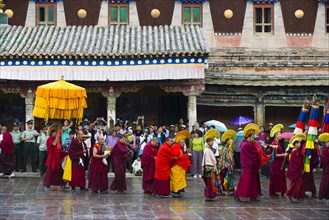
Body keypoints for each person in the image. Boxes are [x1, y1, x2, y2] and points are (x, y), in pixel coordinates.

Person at [235, 123, 261, 202]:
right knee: (247, 180)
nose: (254, 138)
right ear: (248, 137)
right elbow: (254, 153)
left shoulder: (249, 143)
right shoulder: (246, 145)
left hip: (252, 165)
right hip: (248, 165)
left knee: (253, 181)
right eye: (253, 136)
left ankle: (253, 195)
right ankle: (241, 194)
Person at [285, 134, 306, 202]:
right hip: (296, 171)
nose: (300, 144)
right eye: (299, 143)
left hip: (298, 171)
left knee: (298, 184)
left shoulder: (297, 151)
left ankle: (297, 195)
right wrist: (302, 167)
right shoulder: (295, 152)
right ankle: (290, 194)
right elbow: (297, 162)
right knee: (295, 185)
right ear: (296, 144)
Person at [170, 130, 191, 197]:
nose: (183, 143)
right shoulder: (176, 146)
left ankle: (178, 190)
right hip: (176, 165)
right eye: (182, 142)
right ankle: (174, 191)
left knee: (180, 178)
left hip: (180, 166)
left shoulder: (180, 147)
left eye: (184, 142)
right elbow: (177, 156)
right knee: (176, 179)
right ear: (179, 141)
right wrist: (186, 156)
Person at [202, 129, 220, 201]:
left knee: (212, 183)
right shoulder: (207, 150)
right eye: (211, 141)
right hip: (209, 168)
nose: (212, 142)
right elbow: (207, 160)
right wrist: (212, 167)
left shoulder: (210, 149)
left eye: (213, 141)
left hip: (211, 168)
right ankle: (209, 195)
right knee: (210, 183)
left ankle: (211, 195)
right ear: (208, 142)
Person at [269, 124, 287, 196]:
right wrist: (284, 154)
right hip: (276, 163)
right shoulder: (274, 144)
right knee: (277, 178)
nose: (281, 135)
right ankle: (273, 191)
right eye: (279, 134)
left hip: (279, 163)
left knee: (280, 177)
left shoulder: (277, 143)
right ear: (276, 135)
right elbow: (275, 155)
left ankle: (282, 191)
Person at [220, 129, 237, 195]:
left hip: (229, 165)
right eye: (229, 140)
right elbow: (224, 157)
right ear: (226, 141)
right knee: (227, 177)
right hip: (227, 165)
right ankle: (226, 188)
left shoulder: (228, 148)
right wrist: (226, 164)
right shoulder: (225, 149)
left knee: (230, 176)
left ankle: (230, 188)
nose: (230, 141)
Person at [318, 133, 329, 201]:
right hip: (327, 169)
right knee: (325, 182)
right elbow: (324, 159)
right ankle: (322, 195)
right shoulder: (325, 150)